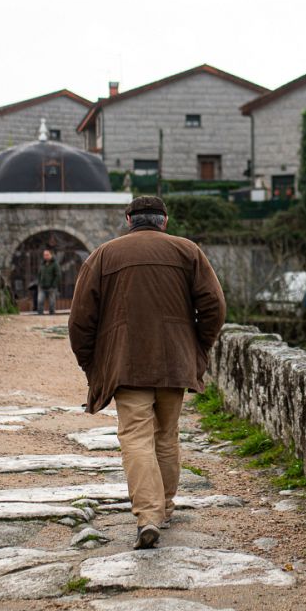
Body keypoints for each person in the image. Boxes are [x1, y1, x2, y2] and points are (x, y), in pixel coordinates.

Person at [69, 195, 225, 549]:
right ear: (164, 220)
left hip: (126, 364)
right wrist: (198, 347)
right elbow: (214, 306)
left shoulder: (104, 255)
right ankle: (165, 508)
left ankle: (148, 515)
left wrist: (91, 364)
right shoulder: (188, 252)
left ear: (128, 219)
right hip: (174, 362)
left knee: (136, 436)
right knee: (166, 435)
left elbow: (80, 320)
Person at [36, 248, 62, 315]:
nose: (45, 256)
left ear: (51, 255)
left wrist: (54, 284)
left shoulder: (55, 264)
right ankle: (40, 314)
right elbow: (39, 274)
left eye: (47, 255)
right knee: (40, 301)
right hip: (42, 286)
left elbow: (58, 275)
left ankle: (52, 314)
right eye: (44, 255)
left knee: (52, 302)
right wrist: (39, 282)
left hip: (51, 287)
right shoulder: (42, 264)